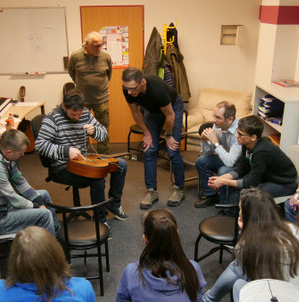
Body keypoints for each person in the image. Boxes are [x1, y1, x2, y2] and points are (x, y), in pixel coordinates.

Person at [195, 188, 299, 302]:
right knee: (239, 267)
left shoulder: (250, 246)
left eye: (241, 214)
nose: (239, 216)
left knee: (237, 277)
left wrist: (242, 232)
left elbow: (245, 262)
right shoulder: (295, 231)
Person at [35, 89, 127, 224]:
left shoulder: (85, 114)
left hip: (84, 160)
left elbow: (104, 135)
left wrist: (95, 131)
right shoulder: (52, 119)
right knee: (98, 179)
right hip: (63, 166)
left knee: (121, 165)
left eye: (80, 113)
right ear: (64, 106)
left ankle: (114, 204)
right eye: (73, 114)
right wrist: (67, 151)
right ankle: (100, 221)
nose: (78, 117)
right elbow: (40, 145)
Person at [0, 129, 60, 237]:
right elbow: (12, 198)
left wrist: (37, 200)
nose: (23, 155)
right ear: (9, 151)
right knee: (44, 215)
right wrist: (36, 206)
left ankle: (55, 232)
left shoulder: (3, 156)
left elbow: (20, 182)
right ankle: (52, 249)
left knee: (43, 195)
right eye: (21, 152)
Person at [122, 67, 186, 209]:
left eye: (132, 88)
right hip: (152, 110)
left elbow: (170, 116)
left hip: (172, 107)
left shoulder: (156, 89)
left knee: (172, 150)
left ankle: (179, 189)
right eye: (126, 88)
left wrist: (168, 136)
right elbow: (135, 112)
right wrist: (147, 133)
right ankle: (152, 192)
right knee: (149, 149)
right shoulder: (128, 89)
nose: (129, 92)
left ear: (142, 82)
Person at [208, 115, 297, 216]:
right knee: (232, 184)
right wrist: (221, 178)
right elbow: (242, 168)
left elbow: (252, 181)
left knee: (246, 193)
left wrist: (224, 181)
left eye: (240, 134)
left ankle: (239, 220)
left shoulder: (262, 151)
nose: (237, 136)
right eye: (237, 132)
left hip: (284, 183)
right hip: (266, 176)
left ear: (253, 137)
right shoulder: (247, 144)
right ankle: (231, 214)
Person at [68, 31, 112, 154]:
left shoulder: (106, 56)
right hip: (82, 101)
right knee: (80, 128)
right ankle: (81, 154)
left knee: (103, 127)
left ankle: (103, 155)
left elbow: (108, 76)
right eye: (96, 45)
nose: (99, 48)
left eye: (101, 45)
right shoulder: (76, 56)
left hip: (101, 99)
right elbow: (72, 73)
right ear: (87, 44)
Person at [194, 101, 242, 208]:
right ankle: (211, 196)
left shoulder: (239, 132)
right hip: (228, 158)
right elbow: (208, 152)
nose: (214, 120)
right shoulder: (217, 125)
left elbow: (230, 162)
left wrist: (216, 143)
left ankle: (225, 205)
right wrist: (204, 140)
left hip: (240, 165)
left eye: (218, 117)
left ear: (230, 119)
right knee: (202, 161)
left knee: (223, 171)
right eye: (214, 116)